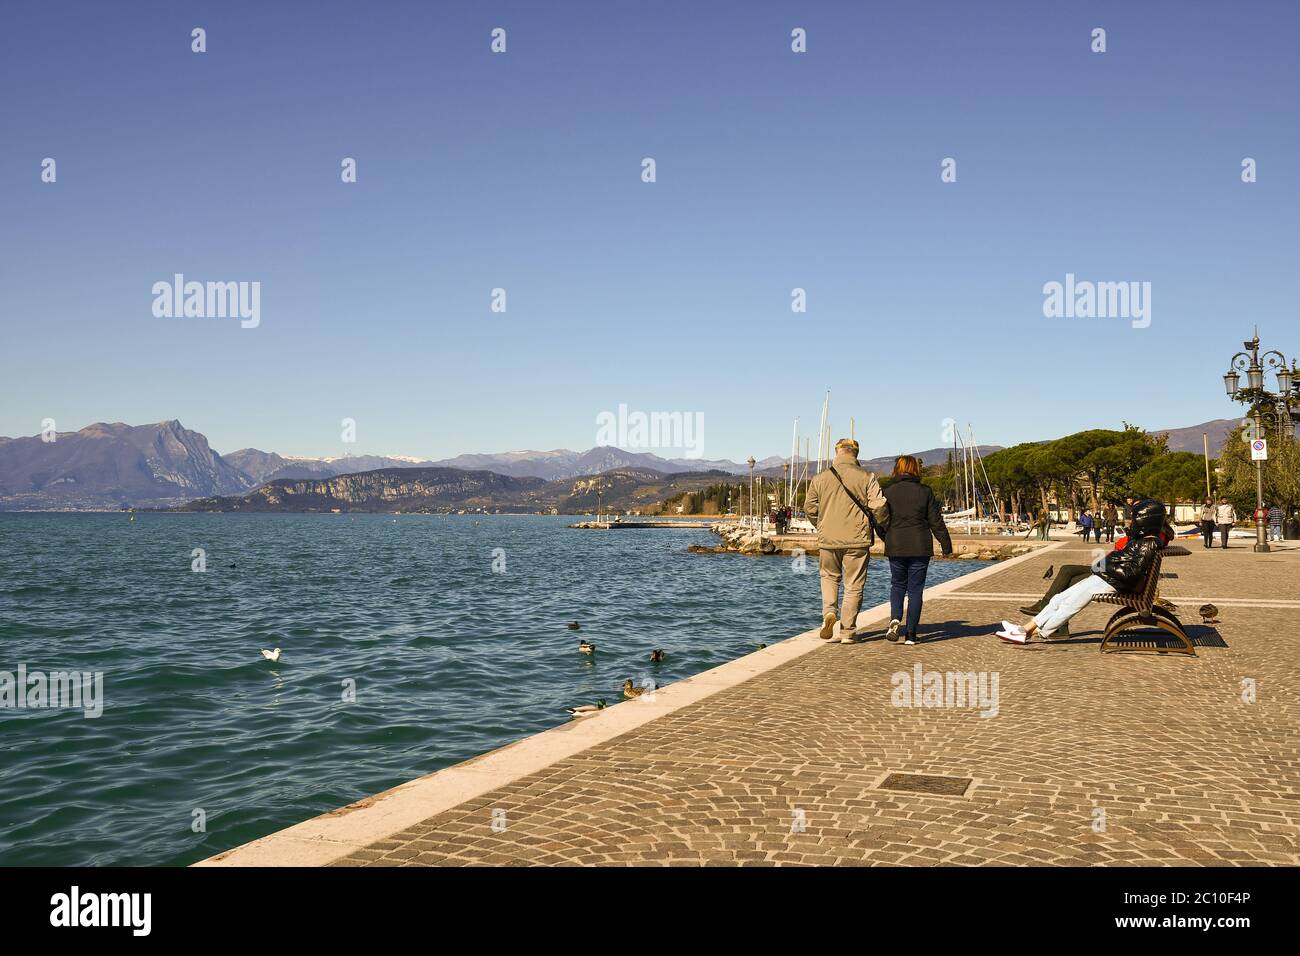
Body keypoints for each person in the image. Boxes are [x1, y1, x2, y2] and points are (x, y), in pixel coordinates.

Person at [997, 499, 1167, 644]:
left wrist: (1104, 565)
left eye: (1135, 519)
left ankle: (1029, 632)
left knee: (1070, 605)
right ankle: (1025, 629)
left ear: (1146, 521)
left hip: (1112, 583)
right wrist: (1104, 565)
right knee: (1059, 599)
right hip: (1107, 579)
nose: (1132, 522)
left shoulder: (1148, 543)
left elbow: (1131, 573)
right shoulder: (1144, 540)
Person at [805, 438, 889, 644]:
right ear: (856, 454)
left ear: (837, 452)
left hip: (828, 539)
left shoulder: (820, 478)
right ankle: (848, 632)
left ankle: (829, 612)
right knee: (853, 585)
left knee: (829, 577)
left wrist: (822, 525)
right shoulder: (867, 476)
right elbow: (878, 506)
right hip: (857, 539)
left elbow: (809, 508)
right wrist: (883, 524)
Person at [880, 455, 953, 645]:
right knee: (915, 590)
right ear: (915, 469)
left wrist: (886, 537)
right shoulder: (925, 491)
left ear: (896, 469)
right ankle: (911, 634)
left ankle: (895, 619)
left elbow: (879, 520)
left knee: (897, 585)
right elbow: (936, 521)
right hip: (920, 545)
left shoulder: (887, 491)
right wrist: (946, 545)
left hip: (895, 544)